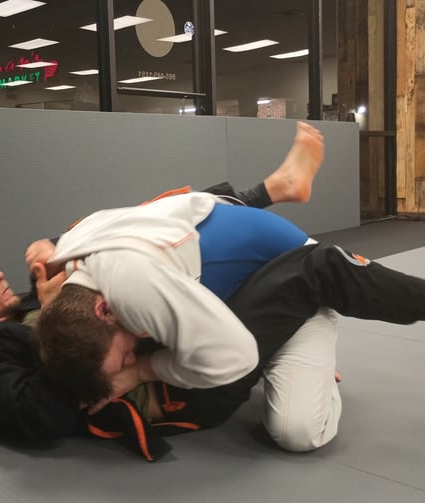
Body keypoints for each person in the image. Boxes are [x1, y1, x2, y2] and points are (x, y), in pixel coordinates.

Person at [0, 122, 331, 459]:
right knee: (298, 431)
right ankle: (313, 303)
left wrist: (57, 246)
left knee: (134, 226)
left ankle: (271, 192)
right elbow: (44, 414)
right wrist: (58, 319)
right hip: (186, 389)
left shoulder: (26, 304)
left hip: (191, 334)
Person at [36, 171, 425, 434]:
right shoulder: (71, 258)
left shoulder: (131, 282)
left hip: (296, 277)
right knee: (296, 430)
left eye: (120, 356)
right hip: (238, 279)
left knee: (299, 432)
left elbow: (238, 358)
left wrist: (140, 371)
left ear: (104, 309)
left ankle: (310, 330)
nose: (126, 361)